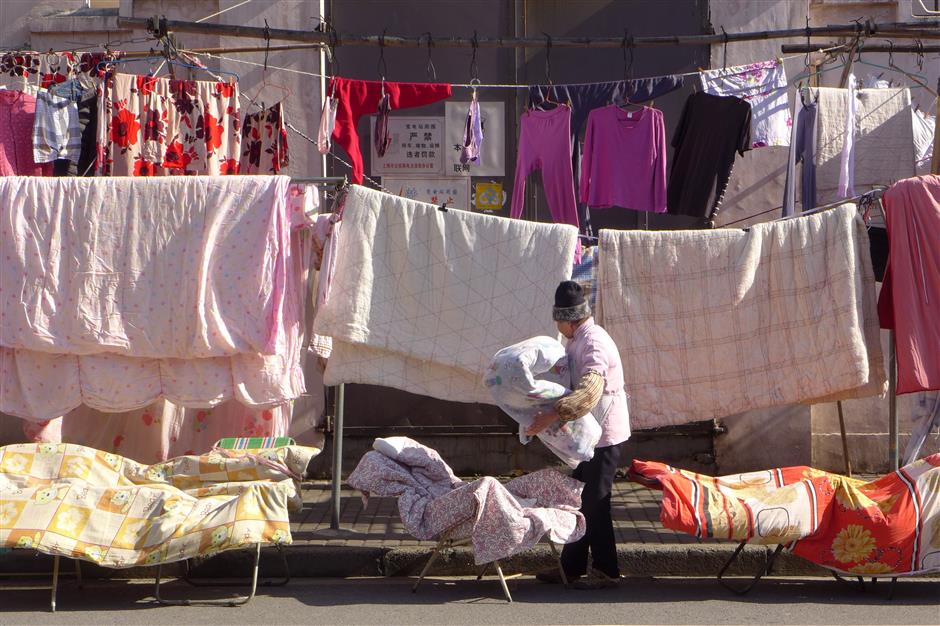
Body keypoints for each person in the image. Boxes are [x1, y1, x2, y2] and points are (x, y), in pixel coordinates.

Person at [528, 280, 631, 589]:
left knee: (596, 501)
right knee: (581, 498)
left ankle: (606, 570)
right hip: (590, 433)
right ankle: (570, 568)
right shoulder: (576, 339)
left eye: (559, 320)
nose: (557, 326)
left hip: (605, 433)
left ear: (570, 318)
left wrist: (551, 415)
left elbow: (590, 389)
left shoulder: (594, 343)